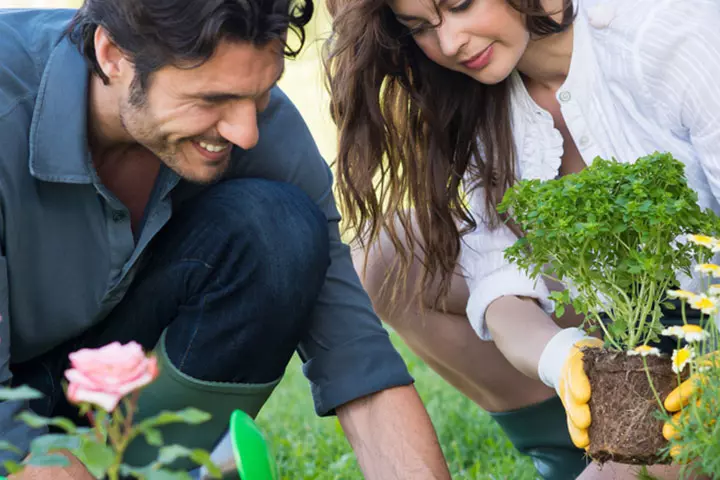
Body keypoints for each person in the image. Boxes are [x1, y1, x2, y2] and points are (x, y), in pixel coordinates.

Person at [0, 1, 454, 479]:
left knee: (276, 228)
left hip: (100, 392)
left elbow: (358, 363)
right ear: (113, 54)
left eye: (260, 94)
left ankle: (152, 467)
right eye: (211, 99)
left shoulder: (257, 128)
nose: (246, 131)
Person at [324, 0, 720, 478]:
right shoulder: (475, 98)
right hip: (631, 327)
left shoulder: (664, 35)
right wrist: (562, 358)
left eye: (460, 5)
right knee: (391, 256)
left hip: (703, 343)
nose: (450, 43)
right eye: (421, 28)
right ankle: (571, 450)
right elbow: (498, 284)